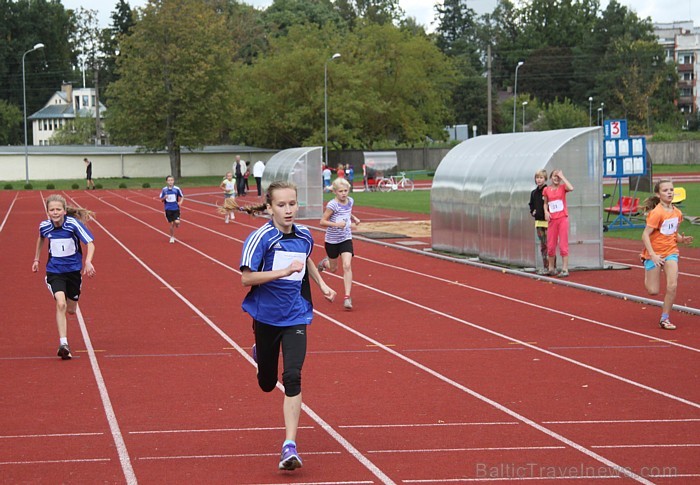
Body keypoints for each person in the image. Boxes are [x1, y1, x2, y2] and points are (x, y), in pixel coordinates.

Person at [239, 181, 336, 471]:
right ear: (269, 208)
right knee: (268, 383)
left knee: (292, 376)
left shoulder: (305, 236)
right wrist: (282, 271)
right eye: (281, 205)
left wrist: (322, 285)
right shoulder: (261, 239)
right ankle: (260, 353)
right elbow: (246, 278)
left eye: (292, 204)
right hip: (267, 318)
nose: (288, 210)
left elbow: (305, 261)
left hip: (296, 315)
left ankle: (289, 445)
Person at [32, 194, 96, 360]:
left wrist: (88, 262)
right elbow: (40, 238)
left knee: (71, 310)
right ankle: (63, 344)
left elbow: (90, 243)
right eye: (51, 210)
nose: (55, 212)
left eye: (58, 209)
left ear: (64, 211)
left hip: (73, 272)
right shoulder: (45, 226)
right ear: (47, 212)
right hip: (55, 271)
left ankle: (73, 299)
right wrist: (36, 259)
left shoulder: (72, 224)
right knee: (60, 303)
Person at [640, 179, 694, 330]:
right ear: (658, 194)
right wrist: (652, 255)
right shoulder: (656, 213)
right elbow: (645, 235)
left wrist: (682, 240)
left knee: (672, 285)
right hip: (654, 254)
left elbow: (672, 234)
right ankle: (644, 261)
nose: (669, 192)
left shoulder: (677, 213)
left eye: (671, 189)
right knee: (653, 291)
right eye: (665, 190)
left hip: (671, 252)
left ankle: (665, 318)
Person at [317, 177, 360, 310]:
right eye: (340, 191)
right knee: (334, 268)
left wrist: (354, 218)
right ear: (335, 192)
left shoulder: (350, 201)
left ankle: (347, 297)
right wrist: (336, 224)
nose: (343, 193)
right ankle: (325, 263)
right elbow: (322, 221)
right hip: (332, 240)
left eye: (346, 190)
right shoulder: (332, 205)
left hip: (346, 238)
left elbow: (347, 212)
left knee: (347, 265)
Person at [543, 169, 573, 277]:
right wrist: (546, 212)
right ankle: (551, 268)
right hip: (552, 220)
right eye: (554, 176)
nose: (556, 178)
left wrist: (563, 176)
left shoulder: (562, 188)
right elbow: (545, 203)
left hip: (562, 218)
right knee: (550, 245)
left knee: (563, 244)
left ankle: (565, 269)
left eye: (558, 177)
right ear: (551, 177)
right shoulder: (546, 190)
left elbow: (571, 188)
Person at [529, 169, 554, 275]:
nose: (539, 180)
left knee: (550, 244)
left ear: (545, 179)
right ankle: (546, 266)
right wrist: (533, 212)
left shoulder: (548, 190)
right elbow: (531, 204)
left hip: (548, 222)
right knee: (543, 245)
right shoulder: (534, 193)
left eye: (541, 178)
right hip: (539, 222)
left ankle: (552, 266)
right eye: (537, 178)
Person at [159, 175, 184, 243]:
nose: (170, 182)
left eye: (171, 180)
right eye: (169, 180)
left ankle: (177, 223)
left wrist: (180, 202)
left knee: (177, 222)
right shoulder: (164, 189)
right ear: (166, 181)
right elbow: (161, 199)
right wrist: (165, 197)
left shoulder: (177, 189)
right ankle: (172, 237)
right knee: (172, 224)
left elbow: (182, 196)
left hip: (176, 208)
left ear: (173, 181)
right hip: (168, 209)